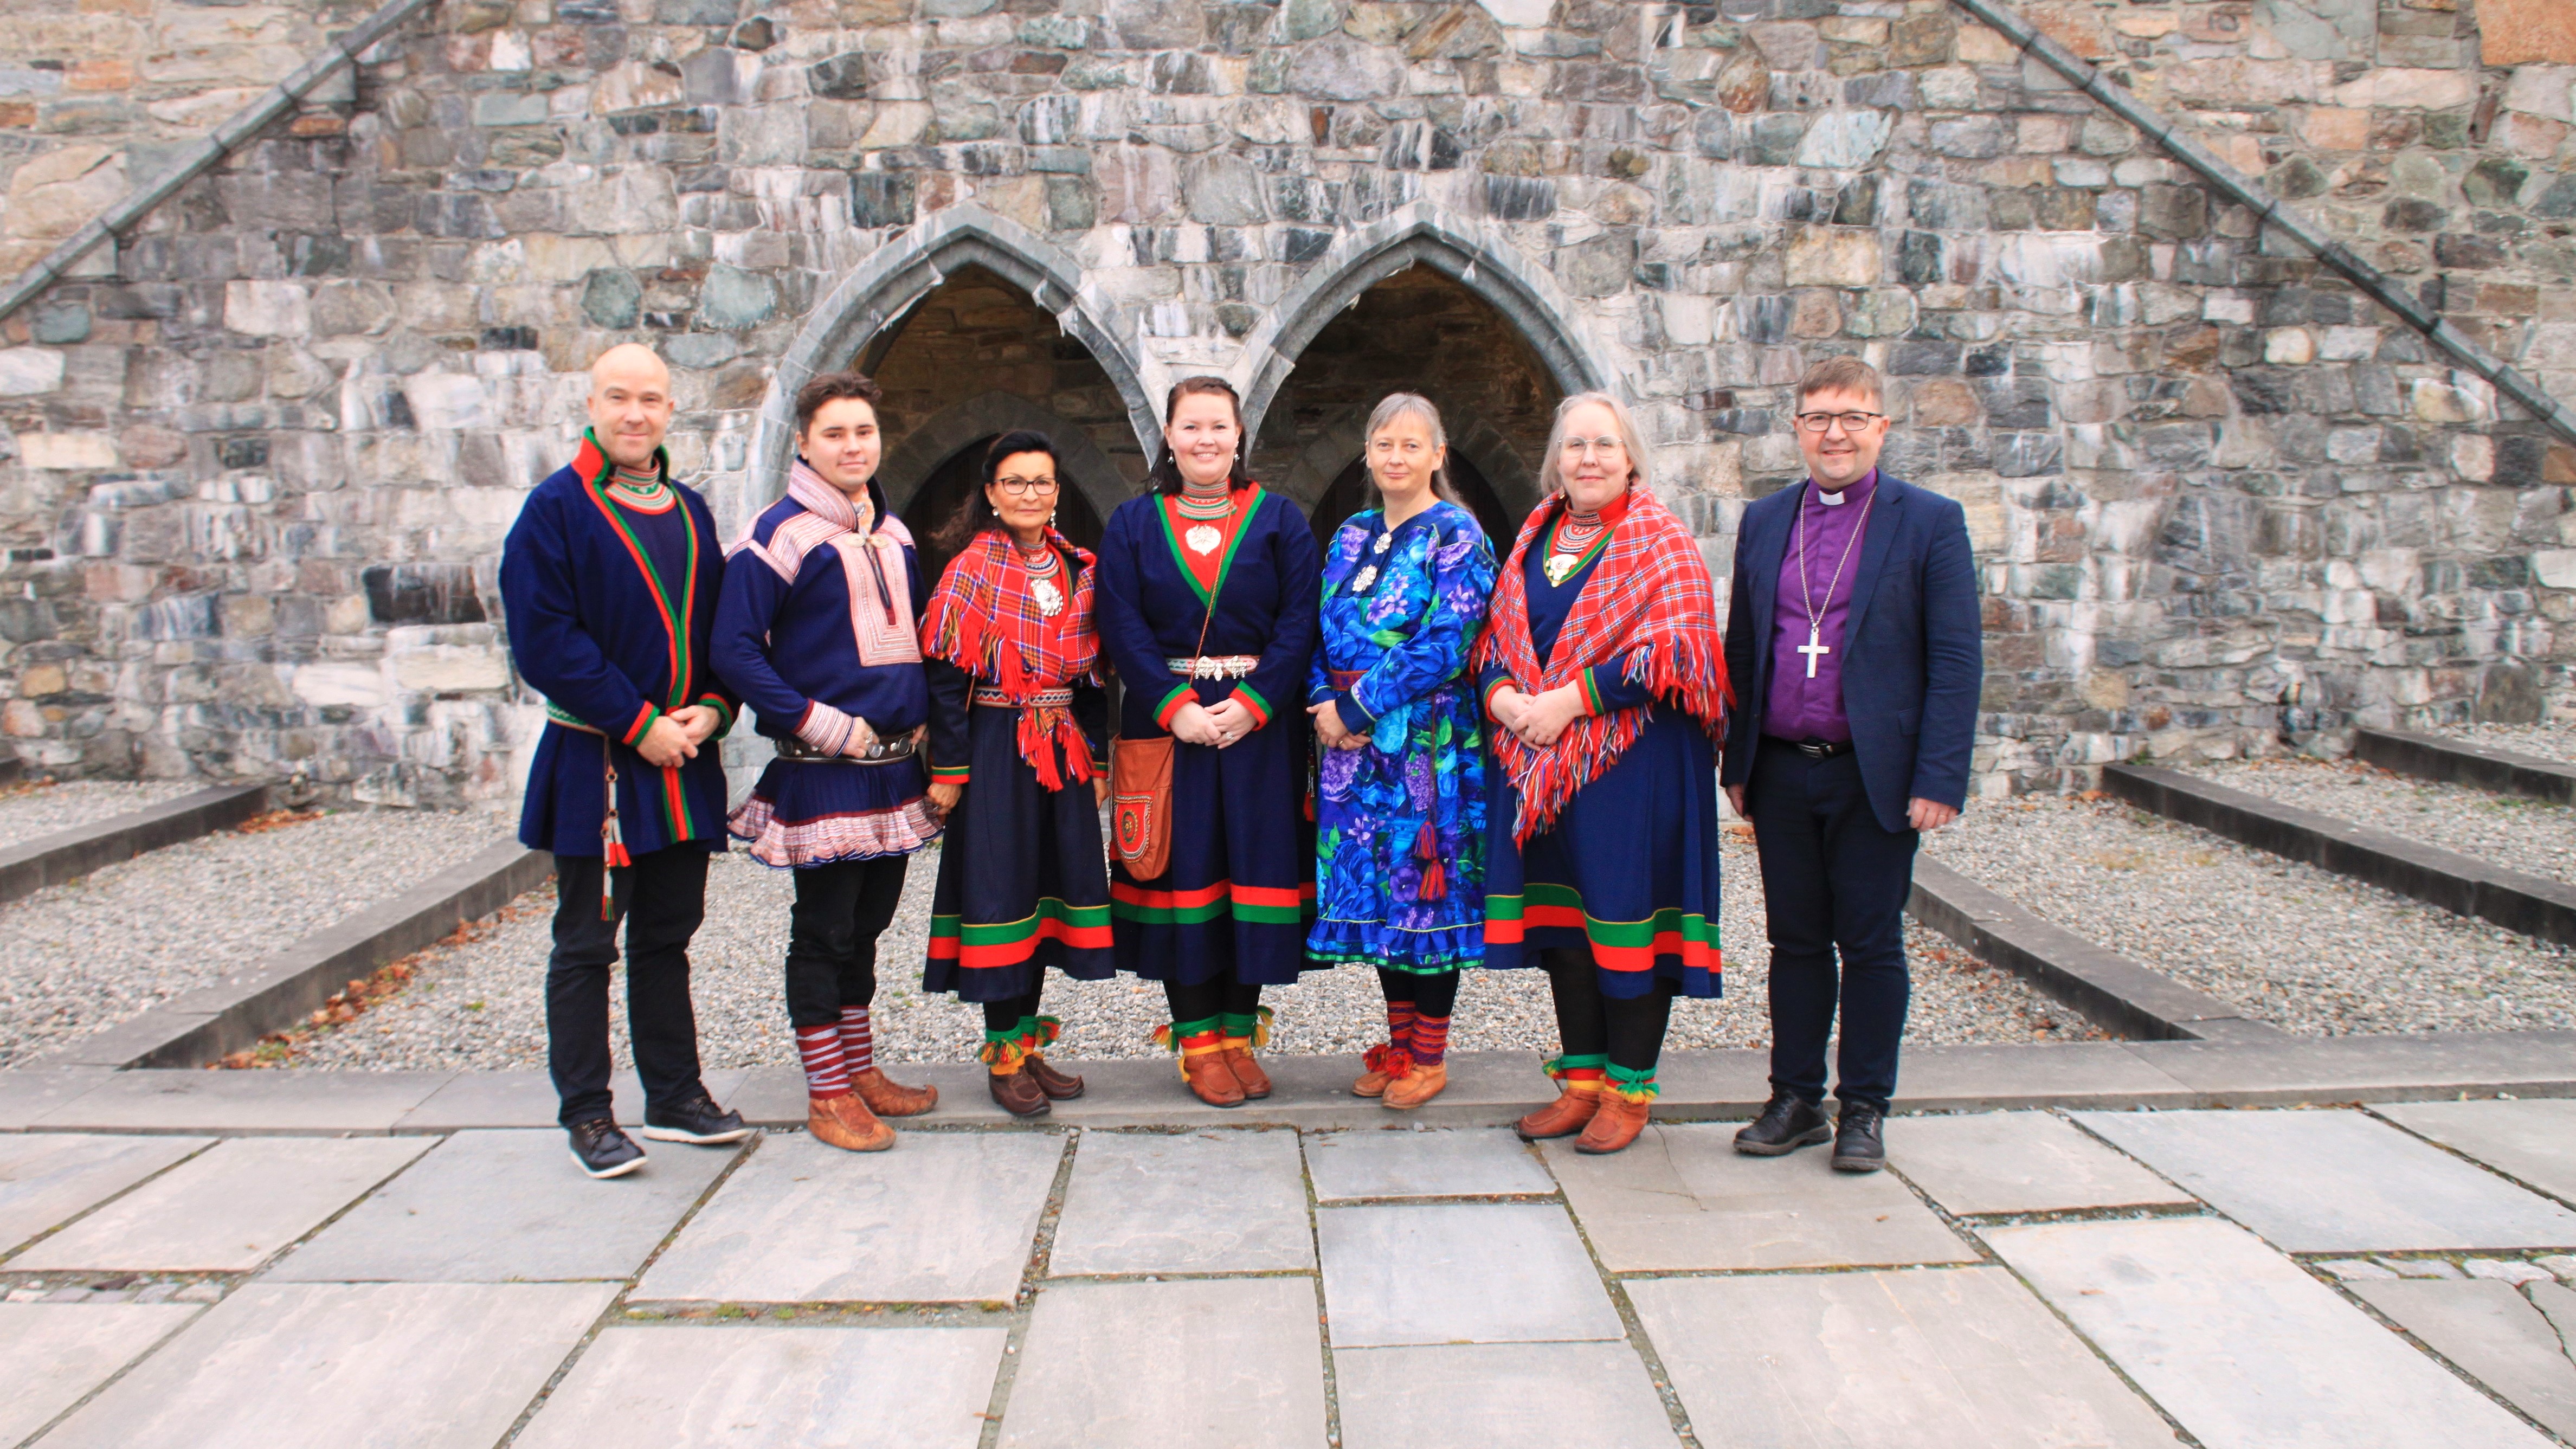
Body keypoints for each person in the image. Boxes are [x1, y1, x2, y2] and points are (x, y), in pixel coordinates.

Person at [1723, 356, 1981, 1172]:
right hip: (1781, 766)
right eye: (1818, 418)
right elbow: (1743, 646)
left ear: (1882, 428)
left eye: (1852, 417)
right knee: (1795, 941)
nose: (1834, 433)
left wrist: (1938, 777)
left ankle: (1864, 1106)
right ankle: (1795, 1096)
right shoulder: (1766, 521)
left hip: (1875, 771)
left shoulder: (1929, 521)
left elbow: (1956, 657)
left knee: (1870, 944)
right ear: (1797, 429)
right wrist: (1737, 758)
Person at [500, 343, 752, 1180]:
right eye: (619, 397)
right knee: (585, 941)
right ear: (593, 404)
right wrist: (639, 721)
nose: (635, 414)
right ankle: (587, 1113)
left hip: (682, 760)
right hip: (598, 761)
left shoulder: (688, 510)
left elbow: (722, 632)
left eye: (650, 399)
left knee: (668, 937)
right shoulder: (554, 510)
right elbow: (547, 641)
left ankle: (675, 1095)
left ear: (671, 410)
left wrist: (714, 709)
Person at [1477, 390, 1729, 1156]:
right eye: (1576, 445)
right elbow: (1495, 636)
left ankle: (1629, 1089)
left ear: (1630, 459)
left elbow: (1678, 651)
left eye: (1604, 446)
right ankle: (1580, 1083)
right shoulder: (1533, 536)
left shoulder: (1660, 540)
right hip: (1543, 762)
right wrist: (1506, 697)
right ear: (1557, 458)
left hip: (1634, 764)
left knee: (1629, 925)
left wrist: (1573, 700)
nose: (1589, 459)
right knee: (1567, 928)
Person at [711, 371, 941, 1154]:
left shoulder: (895, 531)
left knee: (869, 926)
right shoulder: (776, 536)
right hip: (825, 766)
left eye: (864, 432)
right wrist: (818, 721)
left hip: (892, 770)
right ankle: (827, 1092)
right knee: (824, 931)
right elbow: (734, 650)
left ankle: (861, 1070)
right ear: (804, 443)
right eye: (835, 434)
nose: (853, 446)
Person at [1096, 376, 1322, 1106]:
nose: (1205, 440)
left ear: (1238, 434)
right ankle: (1196, 1041)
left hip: (1258, 727)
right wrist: (1171, 705)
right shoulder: (1132, 524)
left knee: (1250, 874)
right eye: (1191, 427)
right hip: (1170, 729)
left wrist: (1255, 703)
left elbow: (1299, 622)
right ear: (1168, 436)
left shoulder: (1281, 520)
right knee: (1182, 877)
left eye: (1218, 427)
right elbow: (1121, 625)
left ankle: (1235, 1032)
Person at [1307, 394, 1497, 1111]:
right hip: (1350, 750)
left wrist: (1356, 705)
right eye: (1384, 444)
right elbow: (1318, 626)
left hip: (1424, 746)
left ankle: (1430, 1055)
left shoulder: (1457, 534)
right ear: (1368, 452)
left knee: (1423, 896)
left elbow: (1447, 642)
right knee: (1379, 898)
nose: (1396, 457)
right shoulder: (1351, 534)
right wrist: (1325, 702)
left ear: (1437, 455)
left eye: (1412, 445)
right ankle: (1397, 1044)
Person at [918, 430, 1112, 1118]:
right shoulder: (971, 569)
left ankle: (1028, 1044)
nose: (1030, 493)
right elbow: (945, 677)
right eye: (1015, 482)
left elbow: (1092, 676)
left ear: (1057, 493)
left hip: (1059, 749)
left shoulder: (1077, 570)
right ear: (992, 494)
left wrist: (1096, 755)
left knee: (1046, 893)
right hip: (998, 746)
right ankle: (1002, 1054)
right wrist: (950, 769)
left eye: (1042, 482)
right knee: (1002, 891)